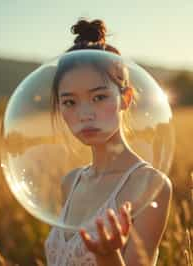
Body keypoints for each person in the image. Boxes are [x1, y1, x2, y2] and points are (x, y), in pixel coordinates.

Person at [44, 18, 173, 266]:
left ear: (125, 98)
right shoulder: (70, 183)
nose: (85, 114)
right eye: (70, 101)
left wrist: (108, 256)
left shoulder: (151, 184)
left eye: (99, 97)